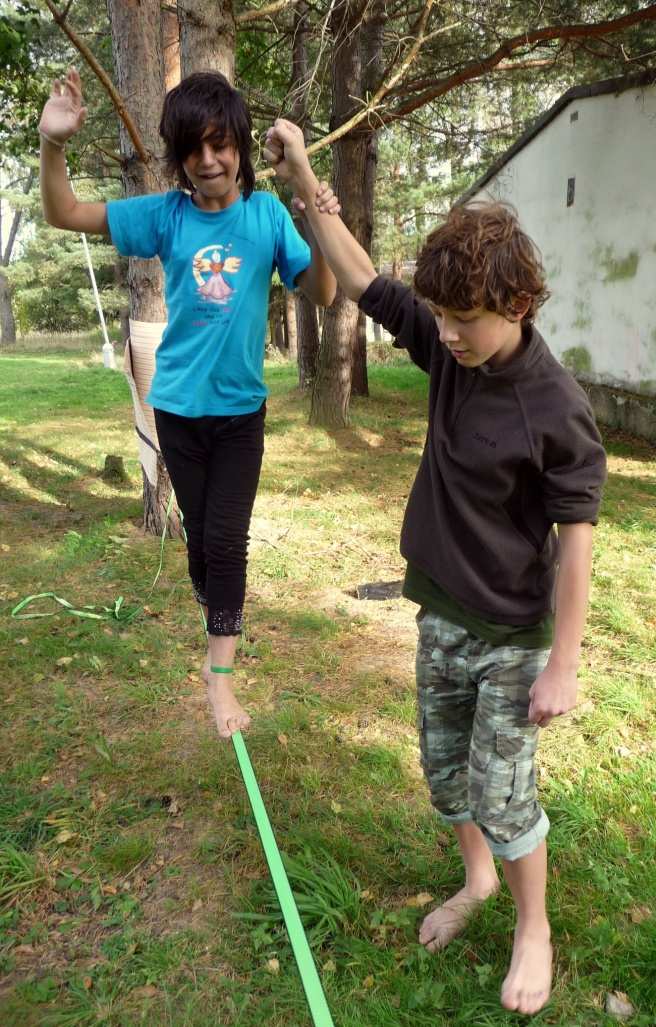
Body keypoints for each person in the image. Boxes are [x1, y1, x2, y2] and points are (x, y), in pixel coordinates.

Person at [263, 119, 607, 1016]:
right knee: (446, 773)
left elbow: (577, 544)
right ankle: (478, 882)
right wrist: (304, 177)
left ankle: (532, 926)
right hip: (440, 612)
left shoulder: (555, 409)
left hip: (511, 634)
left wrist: (563, 661)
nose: (447, 336)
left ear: (517, 306)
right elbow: (364, 275)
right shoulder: (450, 346)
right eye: (442, 318)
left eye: (466, 321)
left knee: (503, 787)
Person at [38, 70, 339, 739]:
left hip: (240, 414)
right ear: (178, 158)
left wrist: (313, 214)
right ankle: (215, 605)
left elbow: (320, 292)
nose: (209, 160)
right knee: (202, 547)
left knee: (228, 539)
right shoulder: (164, 214)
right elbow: (65, 214)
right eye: (194, 149)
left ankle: (219, 674)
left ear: (237, 146)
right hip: (175, 408)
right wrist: (52, 146)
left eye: (220, 144)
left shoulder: (264, 217)